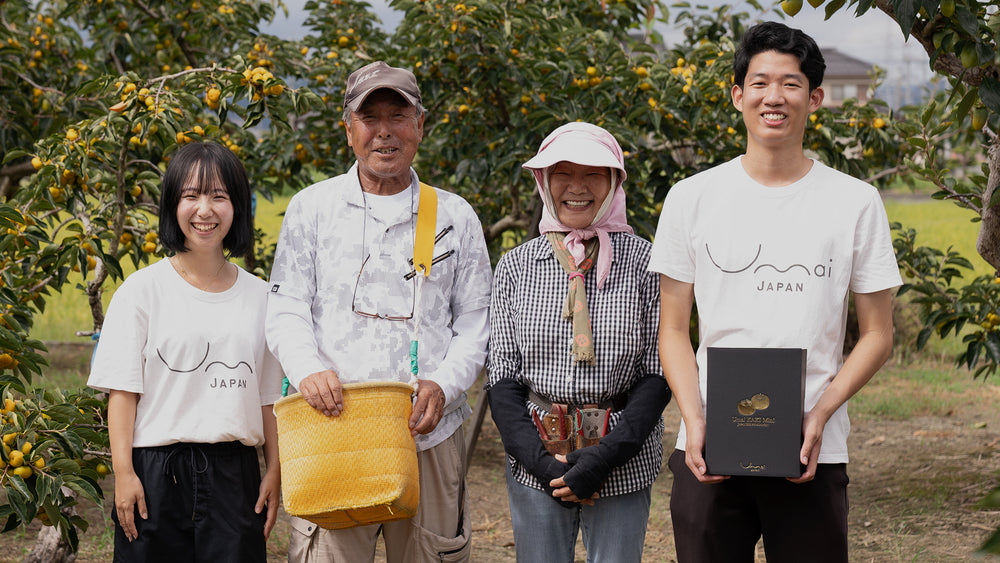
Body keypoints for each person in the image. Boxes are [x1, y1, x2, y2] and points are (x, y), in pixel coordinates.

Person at [649, 21, 902, 562]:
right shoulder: (692, 198)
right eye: (760, 83)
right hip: (710, 445)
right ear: (738, 95)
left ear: (814, 98)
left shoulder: (855, 201)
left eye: (790, 84)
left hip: (814, 447)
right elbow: (672, 328)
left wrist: (821, 413)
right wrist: (695, 421)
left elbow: (879, 333)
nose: (774, 97)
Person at [265, 60, 492, 562]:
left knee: (431, 554)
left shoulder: (453, 215)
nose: (384, 132)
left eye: (398, 116)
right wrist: (307, 369)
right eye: (370, 119)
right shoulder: (313, 208)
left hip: (427, 432)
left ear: (420, 126)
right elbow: (286, 306)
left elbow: (476, 322)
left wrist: (446, 384)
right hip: (335, 428)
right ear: (349, 130)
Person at [88, 141, 284, 563]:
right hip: (156, 473)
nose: (205, 210)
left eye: (219, 196)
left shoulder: (262, 297)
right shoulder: (141, 291)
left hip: (236, 475)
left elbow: (270, 397)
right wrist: (124, 474)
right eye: (191, 196)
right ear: (172, 205)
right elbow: (122, 394)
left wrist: (274, 469)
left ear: (238, 206)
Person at [486, 122, 670, 562]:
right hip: (537, 459)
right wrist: (542, 464)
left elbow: (657, 374)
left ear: (614, 183)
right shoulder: (516, 267)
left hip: (622, 455)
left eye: (593, 174)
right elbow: (502, 377)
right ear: (544, 181)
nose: (577, 187)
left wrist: (605, 457)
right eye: (562, 173)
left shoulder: (648, 263)